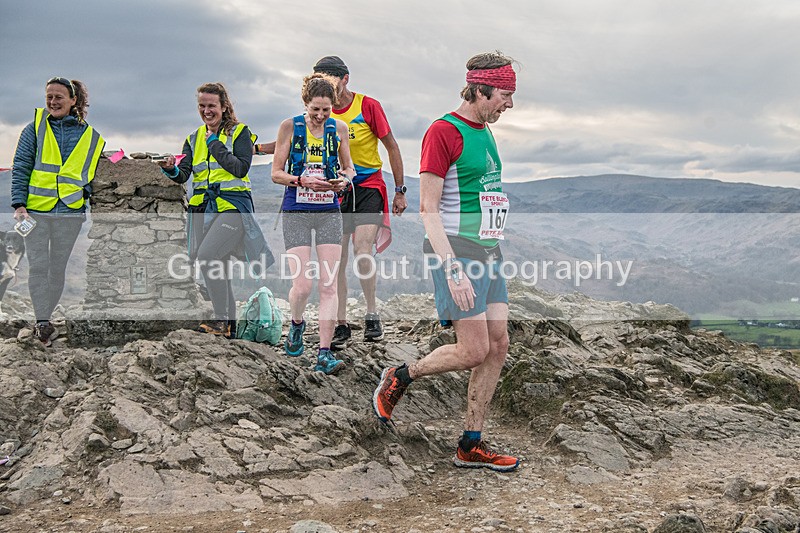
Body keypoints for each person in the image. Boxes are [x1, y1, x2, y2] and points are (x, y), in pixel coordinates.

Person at [372, 52, 520, 472]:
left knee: (498, 345)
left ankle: (470, 443)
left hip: (489, 250)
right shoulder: (442, 132)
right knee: (474, 350)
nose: (508, 104)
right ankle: (401, 375)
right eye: (504, 95)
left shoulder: (486, 131)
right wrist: (452, 269)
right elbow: (428, 210)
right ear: (479, 89)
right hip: (456, 251)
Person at [309, 56, 407, 347]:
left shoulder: (368, 106)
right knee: (335, 257)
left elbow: (391, 146)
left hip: (367, 185)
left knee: (363, 249)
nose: (324, 86)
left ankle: (372, 313)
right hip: (335, 189)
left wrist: (399, 189)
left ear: (345, 79)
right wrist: (254, 148)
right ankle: (341, 323)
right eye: (319, 81)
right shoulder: (321, 111)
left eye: (329, 80)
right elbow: (291, 138)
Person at [159, 82, 269, 338]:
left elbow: (240, 168)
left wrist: (215, 146)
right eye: (202, 106)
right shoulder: (192, 138)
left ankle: (220, 321)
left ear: (224, 106)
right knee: (216, 264)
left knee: (209, 256)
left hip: (232, 206)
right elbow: (183, 175)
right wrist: (169, 168)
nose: (206, 111)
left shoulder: (240, 133)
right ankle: (229, 326)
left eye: (211, 106)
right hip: (202, 209)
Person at [11, 77, 105, 346]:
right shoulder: (34, 129)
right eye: (49, 97)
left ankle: (45, 316)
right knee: (38, 266)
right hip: (35, 212)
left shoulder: (89, 135)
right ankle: (42, 322)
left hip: (69, 212)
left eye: (59, 97)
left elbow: (91, 172)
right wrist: (19, 204)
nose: (52, 102)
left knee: (57, 268)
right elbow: (21, 166)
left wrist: (84, 194)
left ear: (73, 100)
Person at [272, 73, 356, 375]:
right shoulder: (289, 127)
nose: (320, 116)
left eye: (326, 110)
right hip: (297, 208)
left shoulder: (339, 129)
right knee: (303, 285)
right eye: (315, 110)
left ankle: (323, 352)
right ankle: (296, 323)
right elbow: (275, 172)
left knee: (329, 284)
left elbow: (350, 167)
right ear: (305, 103)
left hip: (329, 211)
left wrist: (343, 181)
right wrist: (300, 180)